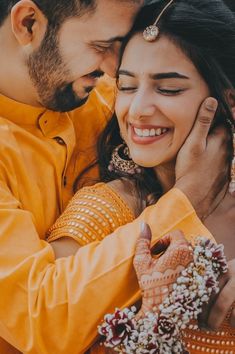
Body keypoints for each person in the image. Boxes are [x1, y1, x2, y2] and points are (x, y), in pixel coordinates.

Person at [0, 0, 231, 353]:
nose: (113, 69)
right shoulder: (107, 205)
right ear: (28, 23)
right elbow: (43, 317)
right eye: (102, 46)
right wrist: (188, 198)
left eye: (167, 89)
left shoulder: (94, 94)